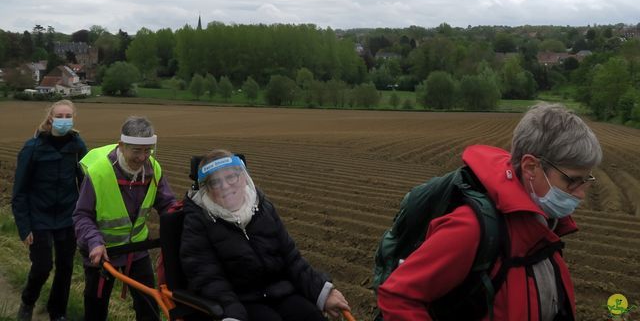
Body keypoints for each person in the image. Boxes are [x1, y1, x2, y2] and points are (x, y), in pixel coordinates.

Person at [377, 103, 602, 321]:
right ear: (530, 167)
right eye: (572, 180)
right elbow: (398, 295)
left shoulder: (544, 223)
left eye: (586, 180)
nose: (580, 193)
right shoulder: (472, 228)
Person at [180, 149, 351, 321]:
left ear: (242, 178)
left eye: (231, 177)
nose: (225, 187)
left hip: (280, 292)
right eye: (215, 182)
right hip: (242, 302)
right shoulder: (198, 221)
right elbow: (208, 278)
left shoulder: (263, 208)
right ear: (206, 190)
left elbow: (291, 257)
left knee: (311, 315)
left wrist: (322, 292)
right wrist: (232, 314)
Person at [73, 115, 176, 321]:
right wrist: (94, 242)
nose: (142, 157)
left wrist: (182, 223)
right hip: (102, 252)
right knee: (96, 306)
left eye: (148, 151)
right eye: (136, 151)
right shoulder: (100, 173)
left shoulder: (153, 169)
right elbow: (82, 215)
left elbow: (167, 205)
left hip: (136, 250)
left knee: (149, 306)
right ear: (122, 145)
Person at [12, 100, 88, 321]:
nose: (64, 120)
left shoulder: (77, 147)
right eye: (60, 116)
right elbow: (19, 192)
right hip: (39, 217)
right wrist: (24, 227)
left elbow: (86, 182)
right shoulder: (32, 148)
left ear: (73, 118)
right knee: (43, 266)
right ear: (50, 118)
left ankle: (57, 312)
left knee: (65, 268)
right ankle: (28, 301)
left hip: (68, 217)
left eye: (68, 116)